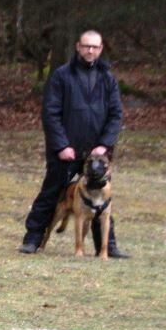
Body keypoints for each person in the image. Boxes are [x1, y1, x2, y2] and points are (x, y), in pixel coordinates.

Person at [18, 29, 127, 258]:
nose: (90, 50)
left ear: (100, 49)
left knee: (101, 197)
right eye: (86, 46)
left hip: (97, 153)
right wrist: (61, 146)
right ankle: (32, 239)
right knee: (51, 192)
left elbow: (116, 114)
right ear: (78, 47)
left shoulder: (107, 78)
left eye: (95, 47)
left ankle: (107, 246)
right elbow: (50, 113)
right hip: (66, 151)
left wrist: (104, 145)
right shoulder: (61, 76)